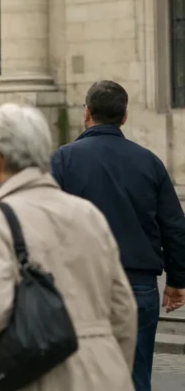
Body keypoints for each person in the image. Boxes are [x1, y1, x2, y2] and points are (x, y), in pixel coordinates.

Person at [0, 103, 137, 390]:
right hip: (106, 374)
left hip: (43, 375)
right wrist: (110, 363)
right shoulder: (87, 213)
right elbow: (123, 308)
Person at [51, 80, 185, 391]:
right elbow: (175, 227)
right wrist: (177, 281)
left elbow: (46, 222)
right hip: (138, 284)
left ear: (87, 113)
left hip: (81, 283)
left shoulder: (64, 159)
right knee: (136, 376)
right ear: (124, 117)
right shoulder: (150, 162)